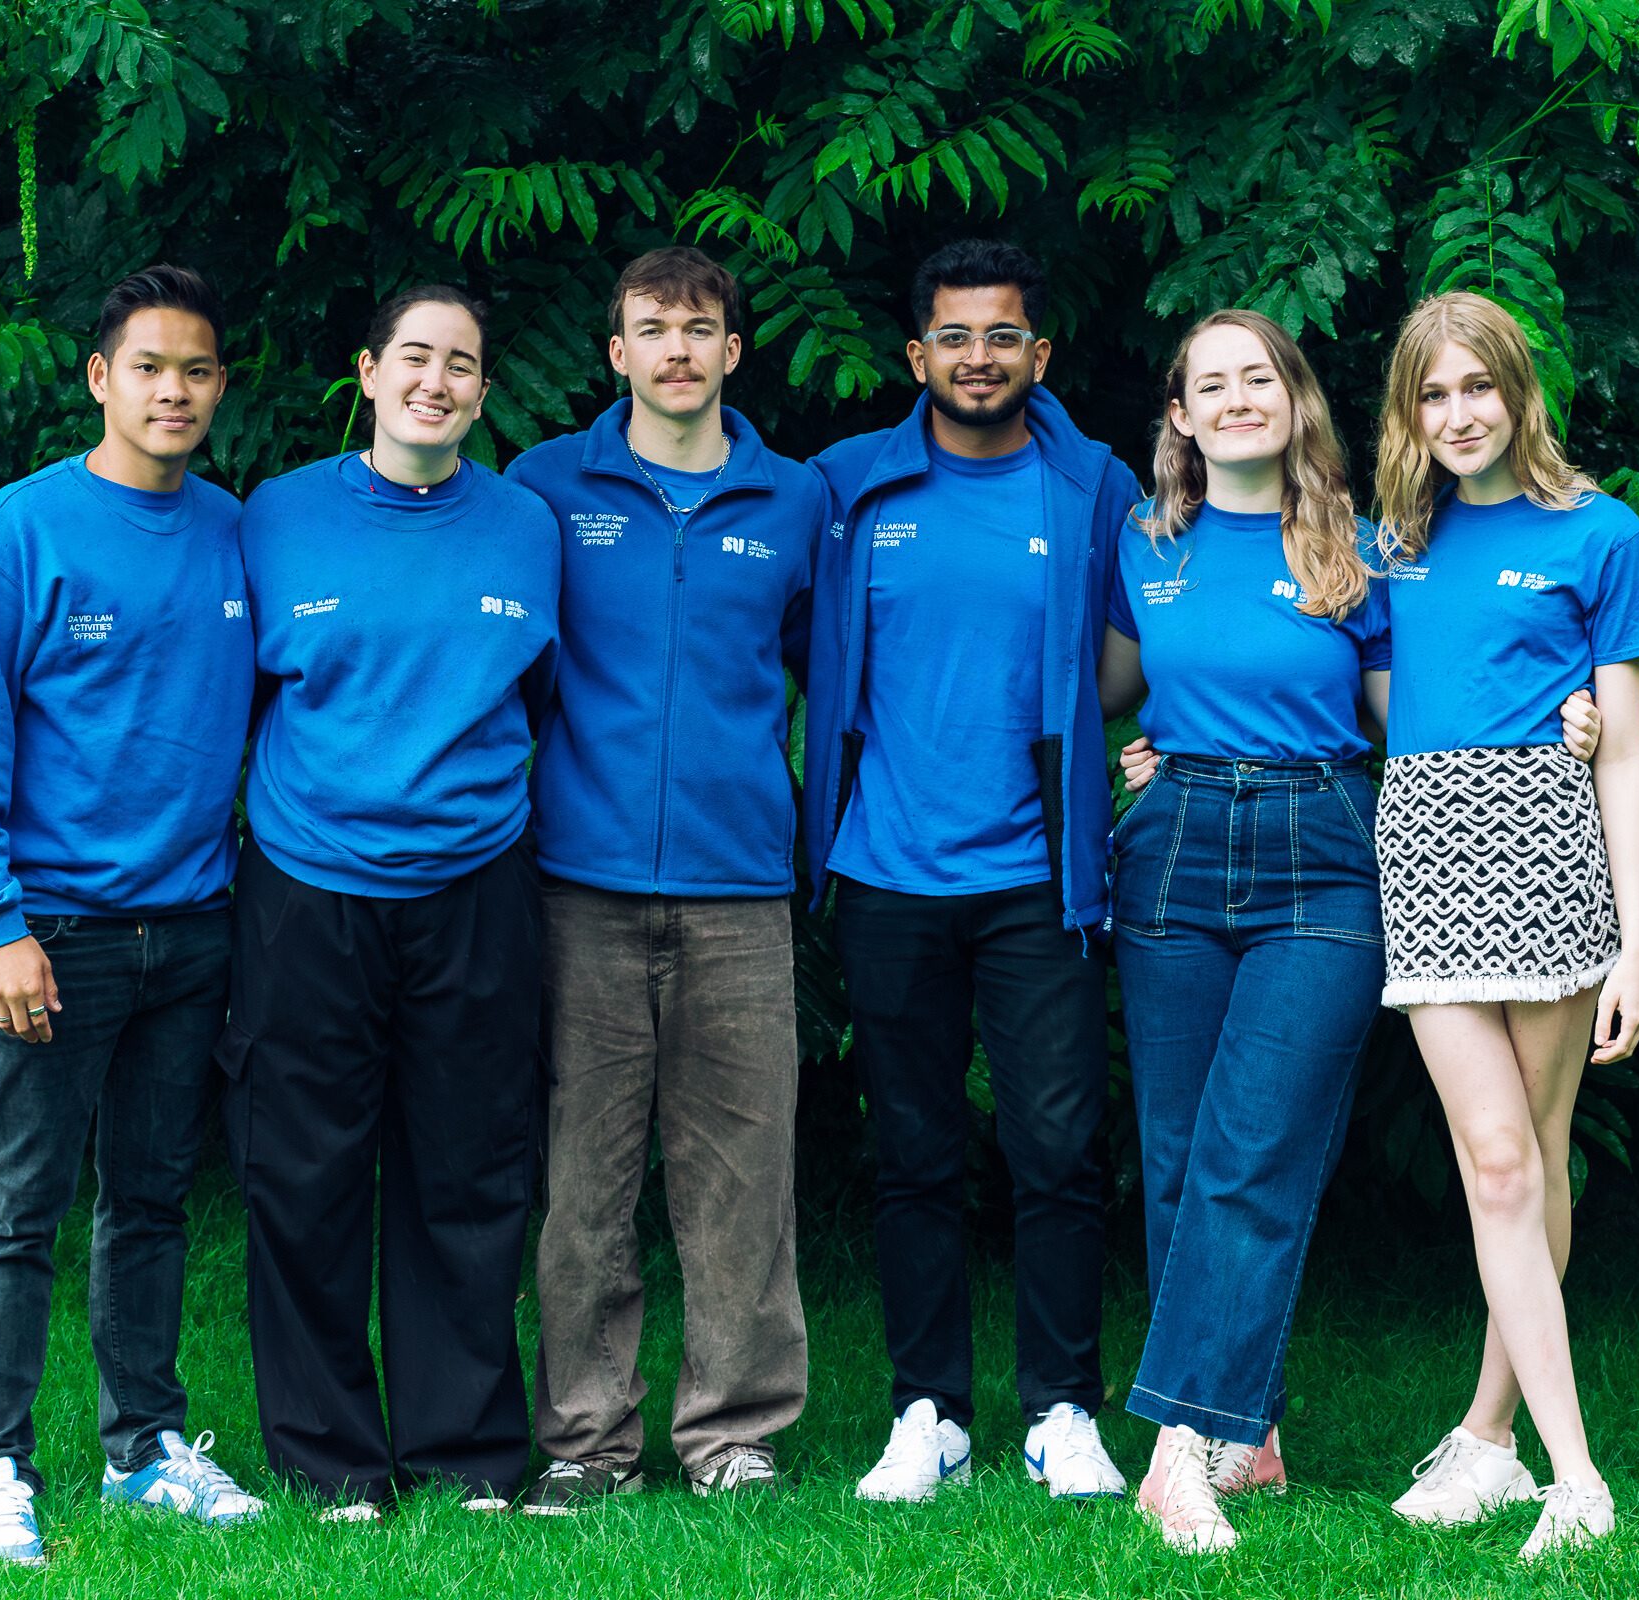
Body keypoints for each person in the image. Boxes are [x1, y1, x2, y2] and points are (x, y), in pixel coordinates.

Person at [1100, 311, 1600, 1555]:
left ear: (1296, 397)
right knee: (1177, 1152)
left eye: (1256, 377)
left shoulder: (1366, 548)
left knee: (1258, 1144)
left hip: (1324, 853)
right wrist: (1139, 758)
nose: (1234, 399)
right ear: (1178, 414)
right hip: (1174, 845)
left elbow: (1427, 699)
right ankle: (1239, 1427)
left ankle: (1174, 1456)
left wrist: (1572, 712)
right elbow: (1112, 688)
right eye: (1207, 384)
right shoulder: (1143, 543)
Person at [0, 264, 265, 1566]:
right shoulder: (20, 533)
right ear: (100, 379)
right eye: (151, 367)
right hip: (48, 929)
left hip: (192, 923)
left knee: (155, 1196)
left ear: (220, 388)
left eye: (199, 369)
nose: (175, 390)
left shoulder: (236, 532)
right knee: (21, 1199)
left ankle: (143, 1450)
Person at [800, 239, 1141, 1503]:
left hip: (1038, 873)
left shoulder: (1095, 486)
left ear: (1038, 354)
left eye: (1003, 336)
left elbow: (1163, 619)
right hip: (887, 868)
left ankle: (1062, 1410)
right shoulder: (847, 487)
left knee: (1058, 1148)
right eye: (954, 336)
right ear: (917, 355)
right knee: (914, 1152)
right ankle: (926, 1410)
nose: (979, 358)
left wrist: (1148, 742)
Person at [221, 285, 561, 1518]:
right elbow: (236, 698)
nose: (436, 380)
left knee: (467, 1176)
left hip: (475, 885)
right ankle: (331, 1458)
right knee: (304, 1174)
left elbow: (545, 699)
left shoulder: (528, 526)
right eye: (413, 356)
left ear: (482, 388)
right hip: (309, 887)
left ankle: (464, 1452)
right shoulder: (276, 517)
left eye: (461, 363)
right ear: (367, 372)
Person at [503, 248, 824, 1511]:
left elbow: (822, 668)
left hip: (741, 884)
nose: (678, 351)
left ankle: (734, 1429)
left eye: (700, 330)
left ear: (734, 352)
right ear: (616, 350)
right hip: (576, 882)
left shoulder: (794, 501)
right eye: (653, 329)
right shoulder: (545, 489)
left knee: (744, 1176)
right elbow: (519, 671)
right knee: (583, 1174)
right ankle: (586, 1438)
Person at [1370, 290, 1639, 1560]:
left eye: (1477, 387)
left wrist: (1636, 945)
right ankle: (1576, 1474)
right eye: (1432, 394)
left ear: (1518, 389)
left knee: (1530, 1158)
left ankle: (1494, 1442)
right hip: (1428, 858)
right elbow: (1375, 709)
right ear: (1407, 411)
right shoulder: (1389, 546)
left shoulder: (1599, 533)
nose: (1458, 414)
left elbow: (1625, 754)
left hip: (1552, 858)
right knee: (1495, 1159)